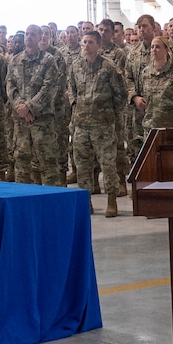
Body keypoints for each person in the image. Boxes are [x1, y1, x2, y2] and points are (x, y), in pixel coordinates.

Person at [71, 30, 129, 216]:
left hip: (103, 125)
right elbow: (72, 89)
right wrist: (75, 105)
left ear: (98, 45)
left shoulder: (108, 67)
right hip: (81, 124)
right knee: (83, 164)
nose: (86, 46)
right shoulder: (76, 66)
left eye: (90, 42)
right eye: (84, 42)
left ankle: (111, 199)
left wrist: (110, 114)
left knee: (108, 163)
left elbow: (121, 94)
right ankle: (85, 200)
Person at [8, 24, 65, 184]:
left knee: (48, 163)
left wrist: (30, 107)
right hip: (21, 121)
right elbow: (10, 86)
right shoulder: (15, 60)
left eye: (33, 34)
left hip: (42, 120)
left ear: (40, 38)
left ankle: (51, 202)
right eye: (27, 34)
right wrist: (21, 107)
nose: (29, 37)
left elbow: (49, 88)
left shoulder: (48, 60)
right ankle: (22, 201)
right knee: (21, 161)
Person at [133, 35, 173, 129]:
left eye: (158, 47)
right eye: (152, 47)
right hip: (151, 125)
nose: (154, 50)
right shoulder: (145, 73)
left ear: (166, 49)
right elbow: (143, 95)